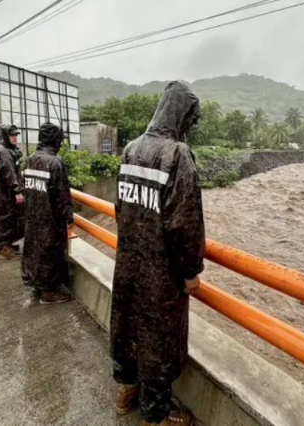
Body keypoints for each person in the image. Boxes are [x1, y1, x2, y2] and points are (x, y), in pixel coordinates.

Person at [111, 81, 205, 426]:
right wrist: (192, 271)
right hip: (161, 273)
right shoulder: (177, 155)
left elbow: (120, 207)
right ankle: (158, 413)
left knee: (128, 326)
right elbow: (186, 223)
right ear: (181, 116)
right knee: (158, 339)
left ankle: (126, 391)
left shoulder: (131, 149)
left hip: (128, 264)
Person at [21, 123, 73, 305]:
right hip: (50, 219)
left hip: (32, 217)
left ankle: (37, 284)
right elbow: (62, 195)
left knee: (35, 250)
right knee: (51, 253)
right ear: (55, 139)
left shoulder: (30, 159)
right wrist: (69, 216)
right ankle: (48, 293)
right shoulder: (55, 162)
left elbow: (25, 187)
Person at [0, 125, 24, 260]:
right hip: (5, 193)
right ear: (5, 136)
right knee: (6, 220)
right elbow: (9, 174)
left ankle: (4, 245)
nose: (15, 138)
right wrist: (17, 191)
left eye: (16, 135)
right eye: (12, 135)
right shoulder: (4, 152)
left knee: (0, 220)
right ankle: (5, 249)